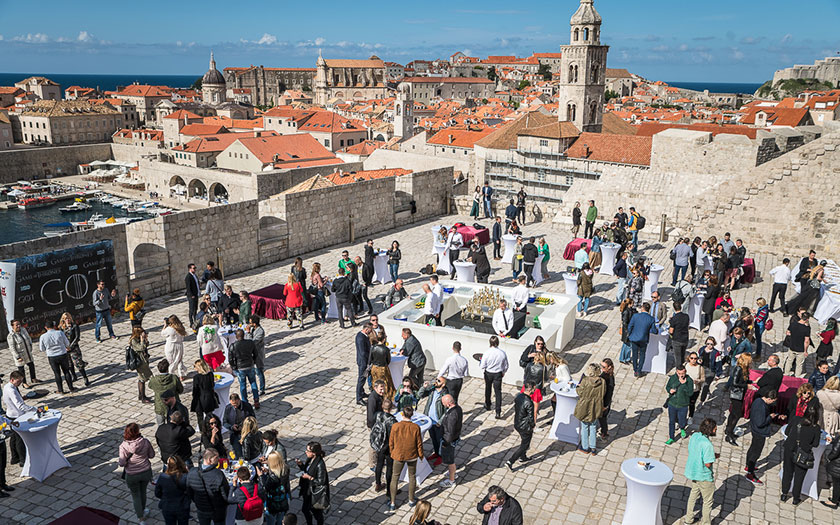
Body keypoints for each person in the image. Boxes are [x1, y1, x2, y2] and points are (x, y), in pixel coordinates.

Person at [781, 405, 821, 506]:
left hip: (790, 449)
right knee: (799, 477)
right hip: (803, 453)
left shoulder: (796, 419)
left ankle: (784, 494)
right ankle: (795, 498)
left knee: (787, 472)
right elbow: (816, 444)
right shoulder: (816, 428)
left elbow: (787, 431)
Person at [681, 418, 718, 525]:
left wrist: (712, 455)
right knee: (708, 501)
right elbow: (707, 463)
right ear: (710, 430)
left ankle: (688, 520)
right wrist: (713, 457)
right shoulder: (707, 445)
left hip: (694, 472)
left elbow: (696, 452)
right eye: (715, 429)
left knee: (693, 496)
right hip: (704, 476)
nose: (716, 430)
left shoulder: (695, 436)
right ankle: (706, 523)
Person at [119, 423, 155, 525]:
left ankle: (141, 518)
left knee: (135, 495)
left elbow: (121, 463)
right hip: (145, 471)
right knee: (143, 492)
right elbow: (152, 455)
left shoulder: (123, 446)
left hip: (132, 474)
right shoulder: (145, 442)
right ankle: (143, 510)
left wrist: (126, 461)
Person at [186, 448, 230, 525]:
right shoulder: (218, 474)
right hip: (217, 509)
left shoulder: (192, 472)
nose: (219, 459)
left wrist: (198, 501)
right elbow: (225, 494)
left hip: (201, 507)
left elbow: (190, 492)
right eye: (216, 458)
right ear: (210, 460)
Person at [745, 390, 778, 485]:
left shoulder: (758, 400)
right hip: (759, 432)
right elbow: (760, 423)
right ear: (768, 398)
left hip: (754, 430)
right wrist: (770, 417)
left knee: (752, 447)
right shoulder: (762, 407)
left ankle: (748, 465)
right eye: (772, 401)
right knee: (756, 452)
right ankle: (750, 473)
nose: (773, 403)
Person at [503, 381, 537, 470]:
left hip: (517, 423)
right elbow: (530, 417)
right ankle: (510, 461)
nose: (535, 390)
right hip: (525, 427)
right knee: (524, 445)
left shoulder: (519, 396)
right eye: (534, 388)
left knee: (524, 441)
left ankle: (523, 457)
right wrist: (533, 425)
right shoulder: (529, 402)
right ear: (530, 389)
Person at [294, 442, 329, 525]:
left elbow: (321, 481)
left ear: (314, 453)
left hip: (314, 492)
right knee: (305, 510)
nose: (306, 452)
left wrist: (309, 478)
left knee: (316, 512)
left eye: (308, 450)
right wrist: (301, 465)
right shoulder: (310, 459)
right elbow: (308, 470)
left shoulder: (320, 465)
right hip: (307, 490)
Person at [3, 371, 32, 468]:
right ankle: (22, 460)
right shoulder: (12, 390)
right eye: (18, 382)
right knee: (20, 438)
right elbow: (20, 406)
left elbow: (12, 400)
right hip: (16, 416)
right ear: (12, 379)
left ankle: (14, 457)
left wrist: (21, 398)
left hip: (10, 414)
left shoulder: (7, 387)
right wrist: (34, 410)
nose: (19, 384)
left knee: (14, 437)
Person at [418, 377, 449, 465]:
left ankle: (440, 456)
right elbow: (420, 395)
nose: (436, 381)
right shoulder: (432, 391)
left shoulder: (444, 395)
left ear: (443, 384)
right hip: (429, 421)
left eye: (438, 381)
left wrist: (440, 421)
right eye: (436, 379)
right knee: (433, 438)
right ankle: (436, 453)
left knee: (440, 440)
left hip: (437, 422)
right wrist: (424, 387)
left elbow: (446, 410)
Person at [575, 364, 606, 454]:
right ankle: (593, 447)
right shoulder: (602, 381)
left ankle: (585, 447)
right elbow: (603, 393)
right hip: (596, 405)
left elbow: (579, 392)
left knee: (584, 426)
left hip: (585, 405)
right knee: (593, 426)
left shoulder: (585, 380)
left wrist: (578, 386)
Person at [38, 320, 75, 394]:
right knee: (66, 371)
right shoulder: (60, 333)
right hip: (62, 354)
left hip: (52, 356)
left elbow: (42, 349)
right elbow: (67, 343)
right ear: (54, 326)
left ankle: (60, 390)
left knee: (57, 373)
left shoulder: (43, 336)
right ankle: (71, 388)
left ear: (46, 327)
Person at [723, 353, 752, 446]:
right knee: (737, 414)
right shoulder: (738, 369)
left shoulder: (744, 369)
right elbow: (735, 383)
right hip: (736, 395)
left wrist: (751, 382)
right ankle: (729, 434)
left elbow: (742, 380)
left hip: (740, 394)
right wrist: (746, 385)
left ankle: (728, 430)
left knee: (733, 414)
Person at [371, 398, 397, 496]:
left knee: (379, 464)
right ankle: (389, 491)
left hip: (379, 444)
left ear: (382, 407)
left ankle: (378, 484)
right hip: (388, 447)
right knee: (389, 468)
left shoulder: (377, 415)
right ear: (391, 408)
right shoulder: (392, 420)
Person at [155, 456, 191, 525]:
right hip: (182, 506)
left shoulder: (162, 477)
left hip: (167, 506)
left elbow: (157, 493)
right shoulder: (185, 477)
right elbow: (190, 491)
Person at [259, 450, 292, 525]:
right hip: (283, 499)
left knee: (270, 521)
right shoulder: (285, 469)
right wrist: (268, 471)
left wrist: (261, 476)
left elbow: (265, 488)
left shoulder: (272, 477)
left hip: (273, 503)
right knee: (280, 519)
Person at [230, 329, 261, 409]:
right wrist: (253, 361)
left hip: (240, 367)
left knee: (243, 385)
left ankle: (245, 402)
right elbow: (256, 353)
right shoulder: (250, 343)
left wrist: (234, 367)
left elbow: (230, 358)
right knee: (253, 382)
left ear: (236, 336)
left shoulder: (233, 346)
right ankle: (256, 399)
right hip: (249, 365)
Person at [437, 394, 462, 488]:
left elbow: (450, 432)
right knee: (450, 459)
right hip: (454, 438)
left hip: (449, 441)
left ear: (448, 404)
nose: (442, 404)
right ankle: (452, 473)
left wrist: (445, 443)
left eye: (443, 403)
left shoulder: (452, 415)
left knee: (450, 461)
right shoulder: (458, 408)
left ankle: (451, 480)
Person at [481, 335, 508, 419]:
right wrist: (503, 372)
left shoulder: (486, 353)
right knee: (498, 392)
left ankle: (488, 405)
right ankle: (498, 412)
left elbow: (482, 365)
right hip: (498, 373)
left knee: (488, 389)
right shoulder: (502, 353)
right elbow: (506, 365)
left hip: (488, 373)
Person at [6, 320, 38, 388]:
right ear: (12, 326)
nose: (18, 326)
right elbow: (12, 348)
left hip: (27, 353)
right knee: (21, 370)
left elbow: (28, 338)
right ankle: (24, 383)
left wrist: (30, 347)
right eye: (16, 325)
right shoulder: (11, 336)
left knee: (31, 365)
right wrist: (18, 357)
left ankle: (33, 378)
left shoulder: (23, 330)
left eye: (19, 324)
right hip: (20, 355)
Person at [59, 313, 88, 386]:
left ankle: (85, 377)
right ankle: (74, 376)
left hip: (74, 348)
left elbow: (77, 337)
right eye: (66, 319)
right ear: (63, 320)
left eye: (68, 318)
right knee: (69, 364)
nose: (67, 320)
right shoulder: (61, 328)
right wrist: (64, 347)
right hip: (65, 349)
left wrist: (70, 347)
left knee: (78, 363)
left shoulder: (74, 326)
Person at [223, 393, 255, 458]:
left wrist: (245, 426)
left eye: (236, 404)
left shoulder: (247, 406)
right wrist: (231, 427)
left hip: (246, 434)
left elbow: (253, 419)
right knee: (238, 454)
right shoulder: (228, 408)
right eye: (233, 405)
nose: (235, 406)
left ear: (239, 400)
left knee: (248, 453)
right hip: (234, 435)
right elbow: (224, 422)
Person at [627, 303, 656, 377]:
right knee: (642, 355)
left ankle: (635, 370)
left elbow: (630, 327)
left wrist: (630, 335)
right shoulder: (651, 319)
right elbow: (653, 330)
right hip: (643, 339)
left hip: (634, 338)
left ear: (642, 308)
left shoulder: (635, 316)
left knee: (635, 354)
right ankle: (639, 370)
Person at [784, 311, 811, 377]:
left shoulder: (793, 324)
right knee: (799, 364)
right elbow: (806, 341)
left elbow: (787, 332)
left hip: (792, 346)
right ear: (807, 319)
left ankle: (786, 374)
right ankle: (797, 376)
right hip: (801, 349)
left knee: (789, 361)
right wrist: (805, 351)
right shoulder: (806, 329)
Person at [245, 316, 267, 396]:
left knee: (259, 371)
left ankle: (262, 389)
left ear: (254, 324)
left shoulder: (260, 332)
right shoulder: (252, 329)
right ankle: (254, 388)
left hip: (258, 355)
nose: (249, 324)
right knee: (252, 372)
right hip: (251, 355)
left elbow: (252, 343)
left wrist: (248, 333)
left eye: (250, 323)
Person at [369, 333, 395, 400]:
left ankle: (376, 396)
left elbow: (370, 359)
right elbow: (388, 360)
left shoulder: (373, 348)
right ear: (384, 339)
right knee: (384, 383)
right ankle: (385, 398)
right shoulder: (386, 349)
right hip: (383, 369)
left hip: (374, 368)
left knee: (375, 382)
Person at [161, 315, 187, 381]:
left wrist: (165, 325)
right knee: (179, 360)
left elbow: (162, 334)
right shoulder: (181, 328)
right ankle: (181, 374)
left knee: (171, 361)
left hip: (170, 346)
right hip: (179, 345)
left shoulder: (170, 329)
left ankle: (171, 374)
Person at [355, 324, 373, 405]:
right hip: (363, 362)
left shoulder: (362, 335)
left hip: (363, 361)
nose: (371, 331)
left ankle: (362, 392)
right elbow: (363, 352)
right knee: (361, 379)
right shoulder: (361, 338)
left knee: (363, 379)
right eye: (370, 330)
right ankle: (359, 398)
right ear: (366, 329)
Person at [684, 352, 705, 423]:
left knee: (692, 404)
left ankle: (690, 416)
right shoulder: (686, 366)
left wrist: (698, 381)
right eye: (692, 358)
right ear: (689, 358)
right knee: (683, 404)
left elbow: (703, 378)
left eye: (695, 358)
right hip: (685, 389)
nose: (693, 360)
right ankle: (681, 418)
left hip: (695, 390)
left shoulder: (700, 368)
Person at [598, 358, 615, 439]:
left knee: (602, 418)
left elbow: (609, 394)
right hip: (601, 399)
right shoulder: (605, 374)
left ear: (609, 367)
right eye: (601, 366)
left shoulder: (610, 379)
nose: (602, 368)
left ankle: (604, 432)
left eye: (604, 367)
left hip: (604, 401)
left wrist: (605, 405)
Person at [618, 298, 636, 364]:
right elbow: (625, 322)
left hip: (629, 330)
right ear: (629, 304)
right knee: (627, 345)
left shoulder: (629, 310)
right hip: (627, 331)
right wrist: (628, 331)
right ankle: (623, 358)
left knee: (627, 345)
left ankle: (626, 358)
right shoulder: (626, 312)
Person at [185, 263, 201, 329]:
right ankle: (191, 322)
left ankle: (195, 320)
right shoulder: (188, 277)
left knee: (195, 309)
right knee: (191, 309)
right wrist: (191, 295)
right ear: (190, 269)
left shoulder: (195, 275)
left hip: (196, 294)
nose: (195, 269)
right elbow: (188, 287)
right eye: (193, 268)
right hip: (192, 296)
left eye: (195, 268)